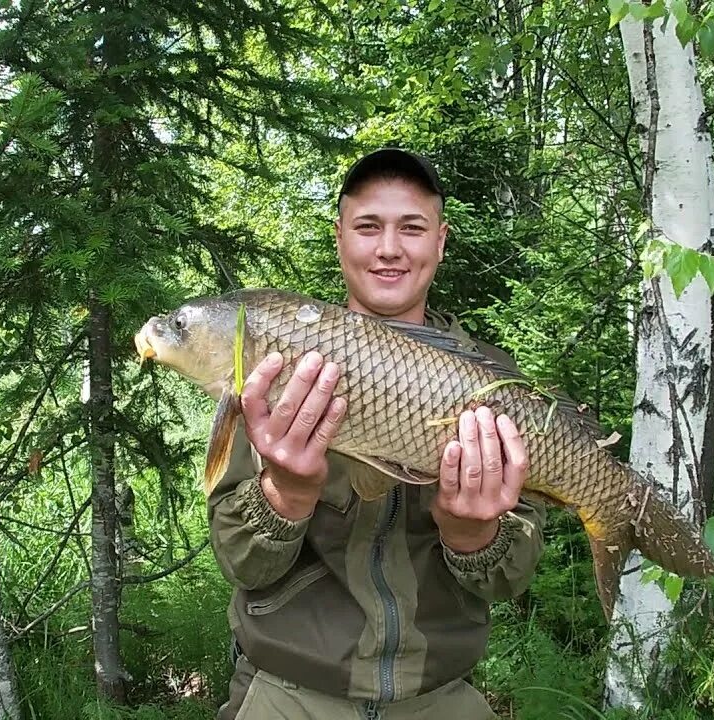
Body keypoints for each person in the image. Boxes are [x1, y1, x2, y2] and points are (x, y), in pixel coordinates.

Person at [207, 148, 545, 720]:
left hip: (440, 698)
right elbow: (243, 566)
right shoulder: (277, 362)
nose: (389, 248)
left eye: (411, 228)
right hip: (287, 693)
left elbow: (508, 581)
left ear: (440, 241)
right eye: (368, 227)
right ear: (339, 237)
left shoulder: (494, 384)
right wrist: (286, 494)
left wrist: (471, 535)